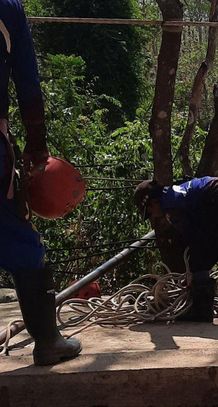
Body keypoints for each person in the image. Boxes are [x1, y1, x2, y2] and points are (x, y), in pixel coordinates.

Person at [0, 1, 82, 365]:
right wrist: (37, 147)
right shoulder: (8, 9)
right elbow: (27, 81)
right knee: (18, 240)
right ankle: (48, 341)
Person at [133, 176, 218, 322]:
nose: (153, 217)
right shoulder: (176, 190)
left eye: (150, 213)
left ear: (154, 202)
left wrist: (193, 274)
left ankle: (201, 311)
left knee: (200, 255)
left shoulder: (171, 205)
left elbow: (191, 237)